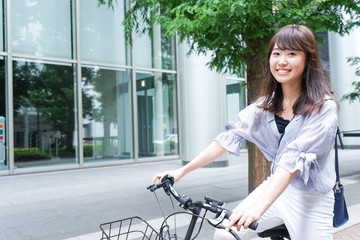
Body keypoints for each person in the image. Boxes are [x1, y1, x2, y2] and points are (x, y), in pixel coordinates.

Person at [152, 24, 339, 240]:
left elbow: (291, 162)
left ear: (308, 60)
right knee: (225, 233)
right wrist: (181, 171)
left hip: (312, 199)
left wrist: (258, 208)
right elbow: (227, 139)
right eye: (276, 53)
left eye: (292, 54)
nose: (282, 61)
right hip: (277, 190)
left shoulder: (324, 108)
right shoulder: (265, 105)